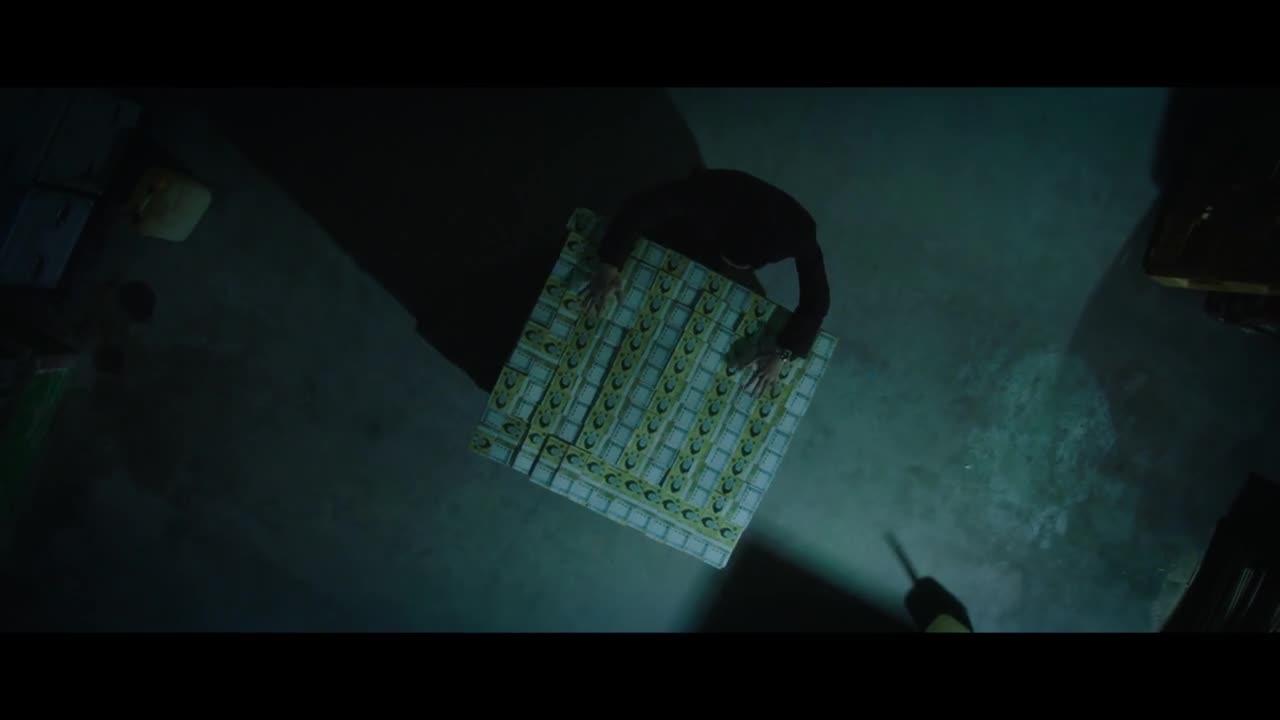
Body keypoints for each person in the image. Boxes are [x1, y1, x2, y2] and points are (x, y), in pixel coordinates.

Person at [584, 169, 830, 397]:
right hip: (707, 208)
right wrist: (610, 263)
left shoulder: (800, 236)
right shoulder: (707, 193)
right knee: (666, 244)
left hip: (731, 225)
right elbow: (640, 207)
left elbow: (817, 302)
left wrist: (783, 354)